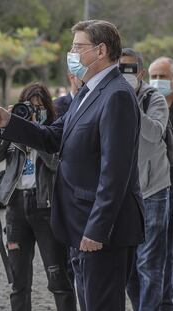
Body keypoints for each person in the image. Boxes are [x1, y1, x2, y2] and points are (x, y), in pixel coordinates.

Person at [0, 20, 144, 311]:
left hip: (101, 231)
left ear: (100, 51)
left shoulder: (117, 94)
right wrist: (10, 122)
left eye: (77, 47)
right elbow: (53, 137)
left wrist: (97, 230)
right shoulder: (88, 91)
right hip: (78, 224)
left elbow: (115, 172)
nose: (71, 53)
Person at [0, 82, 77, 311]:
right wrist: (8, 126)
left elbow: (56, 164)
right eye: (30, 107)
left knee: (58, 277)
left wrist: (36, 133)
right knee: (19, 281)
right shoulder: (14, 127)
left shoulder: (54, 131)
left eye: (40, 107)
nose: (35, 111)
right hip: (16, 206)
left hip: (45, 205)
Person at [119, 48, 171, 311]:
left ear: (140, 72)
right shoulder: (110, 97)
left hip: (154, 189)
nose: (124, 74)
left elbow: (154, 134)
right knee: (128, 266)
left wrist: (131, 104)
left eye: (129, 69)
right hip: (123, 191)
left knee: (149, 262)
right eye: (120, 69)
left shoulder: (154, 99)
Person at [149, 56, 173, 309]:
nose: (157, 82)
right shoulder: (148, 109)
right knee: (154, 258)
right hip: (153, 191)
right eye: (153, 76)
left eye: (162, 77)